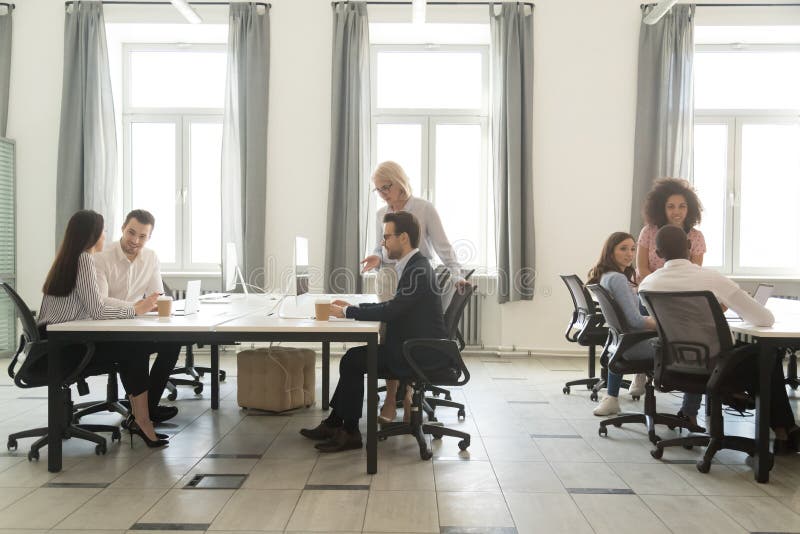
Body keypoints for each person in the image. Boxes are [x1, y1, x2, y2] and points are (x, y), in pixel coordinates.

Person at [640, 225, 799, 454]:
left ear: (657, 253)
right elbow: (764, 319)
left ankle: (774, 422)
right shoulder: (711, 278)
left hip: (674, 365)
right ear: (689, 247)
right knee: (767, 354)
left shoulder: (648, 284)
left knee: (752, 354)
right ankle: (783, 430)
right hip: (720, 367)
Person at [300, 211, 448, 452]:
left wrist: (349, 313)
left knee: (353, 361)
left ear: (403, 238)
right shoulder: (415, 265)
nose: (382, 243)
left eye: (386, 237)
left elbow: (392, 310)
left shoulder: (418, 270)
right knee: (353, 359)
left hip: (416, 353)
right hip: (414, 346)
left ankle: (348, 432)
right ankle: (336, 424)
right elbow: (394, 306)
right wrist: (354, 308)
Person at [37, 210, 168, 448]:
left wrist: (134, 309)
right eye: (102, 231)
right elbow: (97, 309)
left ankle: (141, 418)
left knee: (132, 347)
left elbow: (93, 305)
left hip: (50, 347)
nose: (104, 236)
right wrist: (135, 310)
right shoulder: (85, 259)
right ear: (92, 235)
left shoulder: (69, 258)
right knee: (133, 349)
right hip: (66, 351)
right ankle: (143, 420)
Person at [360, 161, 465, 423]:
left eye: (387, 187)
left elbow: (443, 247)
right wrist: (376, 257)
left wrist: (457, 273)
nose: (383, 193)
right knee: (388, 336)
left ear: (399, 182)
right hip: (387, 278)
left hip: (415, 276)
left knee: (405, 334)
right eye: (378, 189)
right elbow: (379, 247)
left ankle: (402, 397)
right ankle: (398, 396)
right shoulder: (380, 213)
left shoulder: (423, 208)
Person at [587, 232, 702, 422]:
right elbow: (635, 322)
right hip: (635, 346)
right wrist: (667, 323)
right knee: (692, 348)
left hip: (621, 345)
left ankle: (619, 393)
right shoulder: (617, 279)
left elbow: (632, 320)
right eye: (623, 249)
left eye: (632, 249)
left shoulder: (607, 276)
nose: (629, 254)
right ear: (610, 251)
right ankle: (690, 414)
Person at [94, 209, 181, 424]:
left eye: (142, 236)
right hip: (105, 327)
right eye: (131, 233)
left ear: (149, 238)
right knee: (137, 346)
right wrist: (137, 307)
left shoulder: (150, 257)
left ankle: (148, 407)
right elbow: (101, 301)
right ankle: (144, 415)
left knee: (174, 342)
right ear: (123, 228)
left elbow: (157, 294)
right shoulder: (101, 256)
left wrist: (157, 305)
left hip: (133, 323)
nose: (135, 240)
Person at [637, 177, 706, 281]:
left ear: (689, 208)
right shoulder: (648, 232)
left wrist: (673, 289)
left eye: (682, 206)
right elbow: (642, 268)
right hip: (650, 288)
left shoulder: (697, 237)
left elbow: (694, 273)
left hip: (681, 290)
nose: (676, 212)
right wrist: (660, 287)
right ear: (662, 208)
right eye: (670, 207)